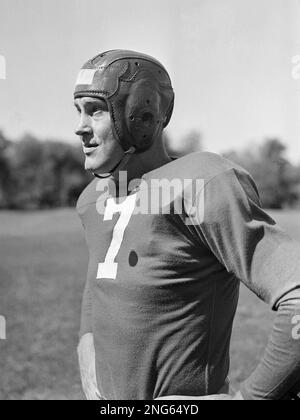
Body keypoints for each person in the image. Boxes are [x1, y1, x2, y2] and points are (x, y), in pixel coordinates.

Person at [74, 49, 300, 400]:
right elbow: (98, 287)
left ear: (141, 113)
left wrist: (250, 399)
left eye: (96, 110)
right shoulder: (93, 198)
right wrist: (85, 345)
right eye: (78, 111)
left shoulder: (203, 181)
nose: (80, 127)